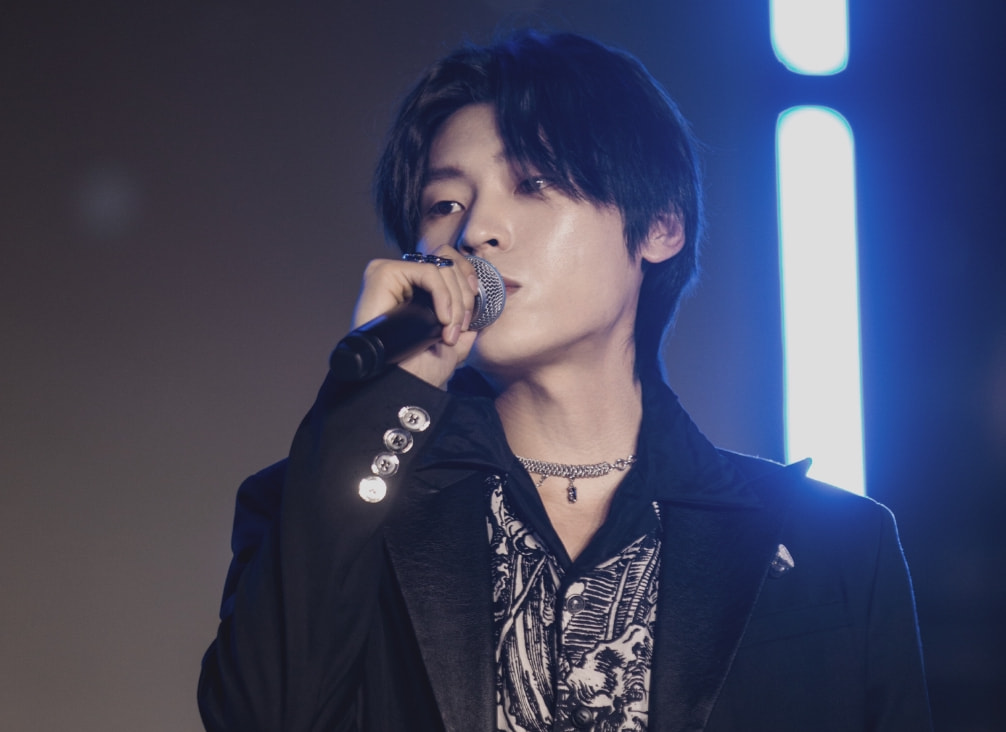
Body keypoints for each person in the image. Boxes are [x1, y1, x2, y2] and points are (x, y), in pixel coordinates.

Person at [197, 30, 931, 732]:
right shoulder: (325, 510)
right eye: (445, 204)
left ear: (660, 227)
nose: (477, 231)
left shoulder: (838, 548)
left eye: (533, 182)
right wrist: (387, 396)